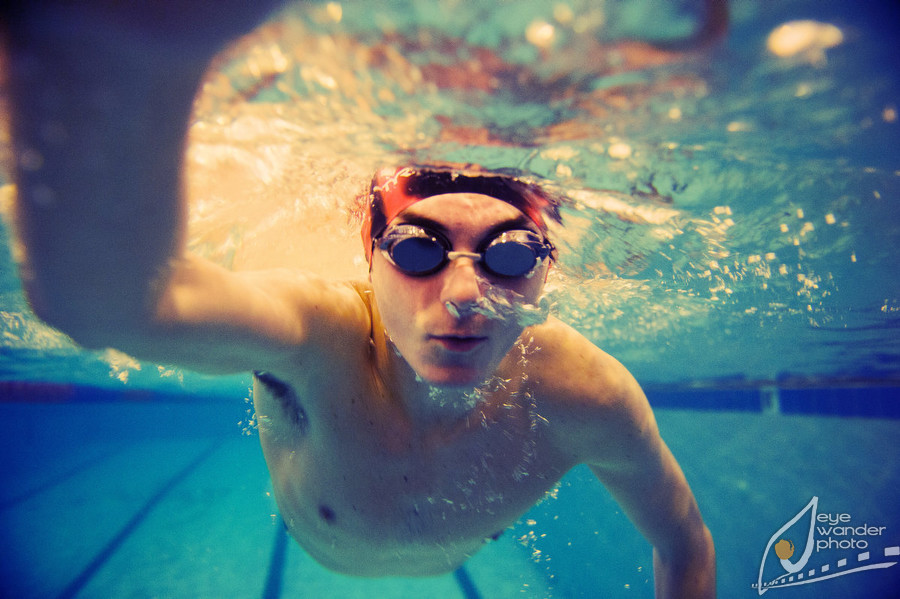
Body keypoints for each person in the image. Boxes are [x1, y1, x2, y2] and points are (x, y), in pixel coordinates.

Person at [1, 2, 716, 597]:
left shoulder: (589, 394)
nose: (466, 295)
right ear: (368, 257)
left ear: (548, 270)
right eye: (416, 249)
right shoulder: (320, 337)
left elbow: (685, 541)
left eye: (509, 256)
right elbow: (111, 306)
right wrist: (139, 50)